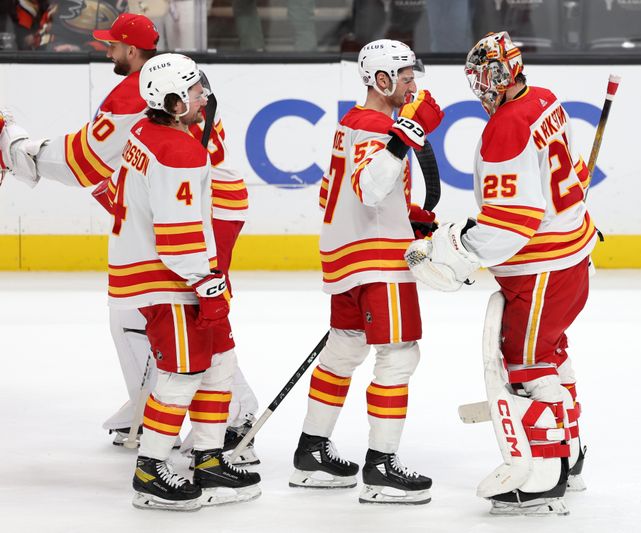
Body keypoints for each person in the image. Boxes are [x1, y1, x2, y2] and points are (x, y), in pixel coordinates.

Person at [0, 12, 259, 464]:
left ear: (133, 51)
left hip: (199, 210)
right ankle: (160, 406)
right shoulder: (175, 75)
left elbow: (84, 160)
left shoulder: (138, 90)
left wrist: (20, 150)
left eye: (113, 45)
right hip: (201, 202)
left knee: (176, 313)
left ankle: (232, 414)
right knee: (150, 314)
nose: (107, 50)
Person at [405, 31, 594, 516]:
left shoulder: (505, 128)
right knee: (550, 352)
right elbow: (560, 176)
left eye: (481, 77)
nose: (479, 88)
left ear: (496, 75)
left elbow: (513, 222)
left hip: (542, 270)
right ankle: (567, 452)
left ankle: (542, 476)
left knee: (526, 364)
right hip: (572, 259)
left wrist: (457, 250)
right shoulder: (546, 99)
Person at [289, 39, 443, 505]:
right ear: (381, 80)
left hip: (346, 256)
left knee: (344, 350)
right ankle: (381, 468)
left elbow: (333, 196)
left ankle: (311, 450)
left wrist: (406, 212)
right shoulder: (379, 127)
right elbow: (370, 188)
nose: (414, 86)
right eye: (406, 78)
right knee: (398, 357)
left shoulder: (350, 124)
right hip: (378, 262)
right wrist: (407, 133)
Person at [110, 53, 260, 511]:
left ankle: (209, 457)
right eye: (195, 92)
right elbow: (178, 237)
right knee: (181, 375)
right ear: (173, 102)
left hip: (172, 274)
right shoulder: (178, 150)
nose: (204, 97)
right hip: (168, 280)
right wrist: (207, 284)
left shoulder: (146, 131)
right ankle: (151, 470)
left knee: (220, 364)